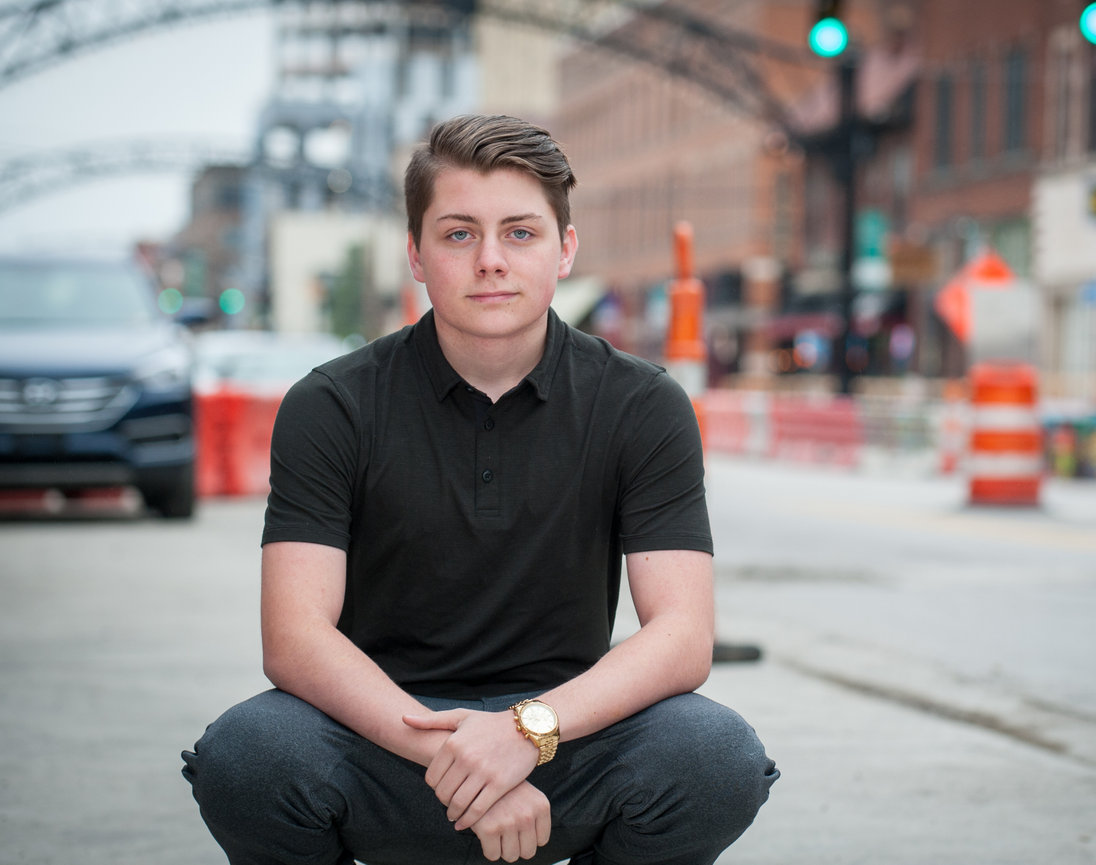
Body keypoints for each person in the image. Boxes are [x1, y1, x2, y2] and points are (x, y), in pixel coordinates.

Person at [182, 113, 778, 865]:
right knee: (250, 754)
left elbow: (682, 637)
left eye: (520, 233)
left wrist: (526, 733)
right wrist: (464, 757)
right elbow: (295, 638)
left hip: (567, 740)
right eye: (459, 233)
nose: (491, 260)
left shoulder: (641, 404)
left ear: (565, 250)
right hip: (385, 741)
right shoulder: (332, 403)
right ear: (417, 254)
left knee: (712, 754)